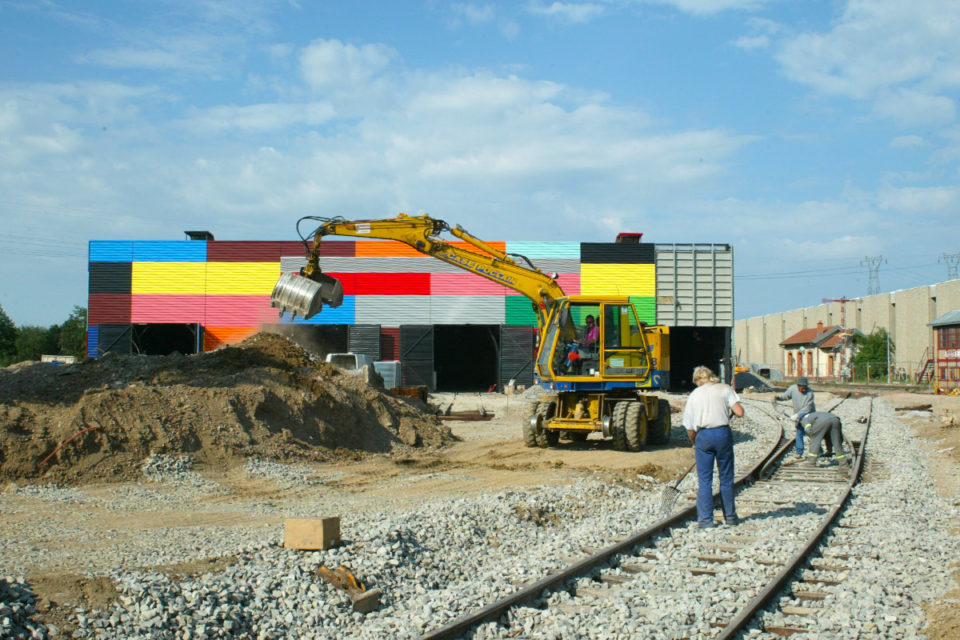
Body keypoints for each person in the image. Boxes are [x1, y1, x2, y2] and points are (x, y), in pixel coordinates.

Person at [682, 365, 744, 529]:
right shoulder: (724, 389)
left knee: (705, 481)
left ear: (697, 381)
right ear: (711, 377)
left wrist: (695, 442)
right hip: (722, 433)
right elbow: (739, 412)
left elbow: (688, 426)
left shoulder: (694, 395)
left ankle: (705, 521)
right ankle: (730, 517)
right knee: (726, 478)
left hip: (703, 436)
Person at [772, 377, 815, 458]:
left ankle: (819, 452)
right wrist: (778, 397)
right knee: (799, 433)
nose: (804, 390)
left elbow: (808, 408)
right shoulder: (792, 389)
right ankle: (799, 452)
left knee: (812, 433)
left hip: (809, 416)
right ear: (798, 386)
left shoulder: (810, 393)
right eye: (802, 388)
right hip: (798, 417)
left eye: (805, 388)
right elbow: (786, 396)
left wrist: (797, 415)